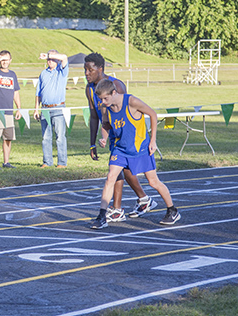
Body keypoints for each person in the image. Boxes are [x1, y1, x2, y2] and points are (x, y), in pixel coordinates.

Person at [89, 79, 181, 229]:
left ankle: (172, 210)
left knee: (153, 182)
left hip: (140, 148)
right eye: (101, 99)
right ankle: (101, 215)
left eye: (106, 98)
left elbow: (152, 114)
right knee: (110, 177)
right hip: (120, 149)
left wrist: (153, 141)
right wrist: (104, 138)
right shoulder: (106, 108)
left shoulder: (131, 101)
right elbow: (105, 125)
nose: (103, 102)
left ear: (114, 93)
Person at [84, 52, 156, 220]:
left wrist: (126, 139)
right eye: (84, 70)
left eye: (90, 70)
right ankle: (139, 201)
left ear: (100, 69)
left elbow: (127, 111)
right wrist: (92, 143)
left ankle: (123, 206)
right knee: (119, 170)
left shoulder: (116, 85)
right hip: (111, 133)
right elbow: (95, 116)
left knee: (121, 170)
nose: (87, 73)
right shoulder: (89, 89)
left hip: (126, 135)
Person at [33, 50, 69, 168]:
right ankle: (47, 161)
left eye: (52, 58)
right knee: (46, 137)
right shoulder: (43, 73)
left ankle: (62, 162)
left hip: (58, 108)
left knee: (60, 137)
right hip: (45, 109)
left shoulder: (62, 71)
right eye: (48, 58)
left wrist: (48, 55)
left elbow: (64, 57)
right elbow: (38, 93)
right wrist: (36, 109)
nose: (50, 60)